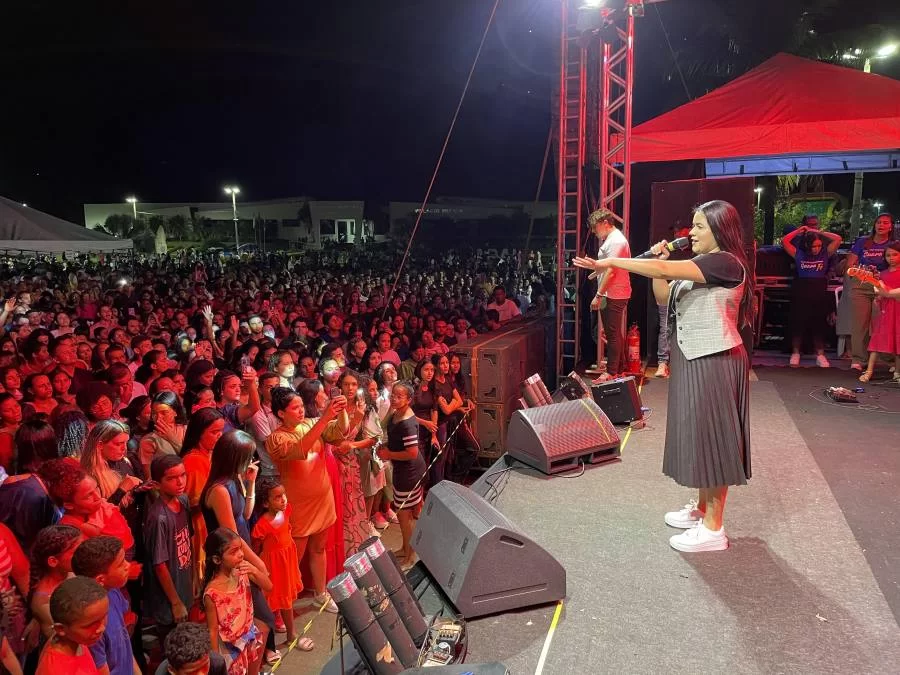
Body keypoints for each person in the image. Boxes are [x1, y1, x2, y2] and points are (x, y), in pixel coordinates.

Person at [575, 199, 752, 552]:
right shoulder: (701, 265)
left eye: (699, 227)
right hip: (694, 358)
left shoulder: (725, 262)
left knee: (714, 438)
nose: (691, 233)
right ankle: (702, 509)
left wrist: (612, 262)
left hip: (715, 359)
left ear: (720, 229)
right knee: (699, 436)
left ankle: (714, 528)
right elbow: (663, 295)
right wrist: (663, 264)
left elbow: (657, 270)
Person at [265, 387, 347, 613]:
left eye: (302, 406)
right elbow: (299, 451)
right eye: (295, 408)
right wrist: (325, 418)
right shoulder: (276, 438)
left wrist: (341, 410)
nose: (301, 411)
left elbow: (340, 432)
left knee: (319, 549)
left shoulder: (311, 423)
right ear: (281, 413)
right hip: (298, 506)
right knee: (294, 559)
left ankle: (320, 594)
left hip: (322, 499)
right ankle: (284, 606)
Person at [202, 528, 271, 675]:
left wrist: (254, 570)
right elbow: (212, 630)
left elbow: (268, 586)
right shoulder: (212, 593)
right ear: (217, 559)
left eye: (240, 548)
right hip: (230, 651)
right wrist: (216, 664)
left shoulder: (242, 571)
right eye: (233, 552)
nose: (241, 554)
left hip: (247, 639)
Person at [250, 477, 308, 651]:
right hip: (273, 567)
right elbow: (256, 548)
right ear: (265, 503)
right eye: (277, 497)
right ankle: (287, 636)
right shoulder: (262, 525)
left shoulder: (286, 511)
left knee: (286, 597)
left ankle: (289, 632)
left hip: (287, 563)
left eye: (283, 495)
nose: (283, 499)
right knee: (277, 598)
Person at [70, 536, 139, 675]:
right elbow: (101, 669)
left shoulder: (113, 591)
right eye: (121, 564)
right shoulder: (91, 624)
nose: (128, 566)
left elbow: (124, 640)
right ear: (101, 579)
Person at [376, 382, 426, 563]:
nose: (394, 399)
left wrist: (389, 454)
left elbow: (412, 452)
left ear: (409, 399)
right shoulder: (396, 413)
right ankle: (405, 548)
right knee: (402, 513)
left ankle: (410, 555)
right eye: (393, 395)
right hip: (402, 470)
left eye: (399, 396)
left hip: (409, 472)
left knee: (404, 516)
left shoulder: (407, 422)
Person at [143, 455, 192, 638]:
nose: (180, 482)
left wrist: (193, 579)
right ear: (157, 484)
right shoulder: (159, 518)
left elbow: (188, 542)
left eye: (183, 475)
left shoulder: (183, 501)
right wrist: (175, 602)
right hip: (169, 599)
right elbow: (159, 564)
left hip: (184, 585)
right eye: (171, 478)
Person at [179, 408, 226, 598]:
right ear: (199, 433)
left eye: (221, 431)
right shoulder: (193, 461)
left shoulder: (209, 454)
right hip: (200, 526)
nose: (219, 436)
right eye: (214, 432)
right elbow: (195, 501)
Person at [782, 225, 842, 367]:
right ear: (807, 246)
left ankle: (820, 355)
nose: (817, 249)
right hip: (801, 291)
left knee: (818, 324)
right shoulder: (798, 254)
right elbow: (785, 241)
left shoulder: (825, 253)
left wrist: (817, 231)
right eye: (814, 246)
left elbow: (838, 239)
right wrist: (799, 230)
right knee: (798, 323)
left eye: (819, 246)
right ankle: (795, 353)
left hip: (818, 291)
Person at [587, 208, 632, 381]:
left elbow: (612, 271)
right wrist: (594, 270)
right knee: (613, 333)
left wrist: (598, 295)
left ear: (605, 223)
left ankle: (612, 372)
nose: (593, 231)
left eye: (595, 227)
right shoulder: (613, 240)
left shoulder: (616, 241)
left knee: (612, 334)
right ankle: (617, 368)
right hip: (612, 292)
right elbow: (608, 268)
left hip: (613, 293)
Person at [845, 213, 895, 371]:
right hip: (861, 284)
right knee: (860, 323)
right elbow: (850, 265)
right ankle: (858, 359)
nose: (881, 225)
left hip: (884, 285)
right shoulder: (862, 242)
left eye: (885, 223)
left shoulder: (894, 244)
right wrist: (858, 272)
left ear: (891, 226)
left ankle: (890, 360)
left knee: (884, 323)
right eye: (878, 222)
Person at [35, 576, 108, 675]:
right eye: (90, 625)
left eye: (104, 617)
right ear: (61, 629)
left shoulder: (75, 639)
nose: (102, 628)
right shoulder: (56, 670)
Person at [30, 525, 83, 641]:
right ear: (53, 561)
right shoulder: (44, 603)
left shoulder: (71, 573)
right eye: (76, 552)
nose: (83, 555)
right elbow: (68, 638)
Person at [859, 241, 900, 383]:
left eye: (895, 254)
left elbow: (890, 292)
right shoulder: (883, 274)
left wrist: (884, 292)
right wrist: (878, 291)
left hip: (898, 310)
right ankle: (869, 371)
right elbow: (880, 292)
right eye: (888, 255)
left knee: (898, 340)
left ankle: (897, 373)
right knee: (877, 339)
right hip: (886, 310)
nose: (891, 258)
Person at [155, 622, 228, 675]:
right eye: (193, 672)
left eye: (205, 666)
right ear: (172, 671)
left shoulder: (217, 663)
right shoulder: (162, 673)